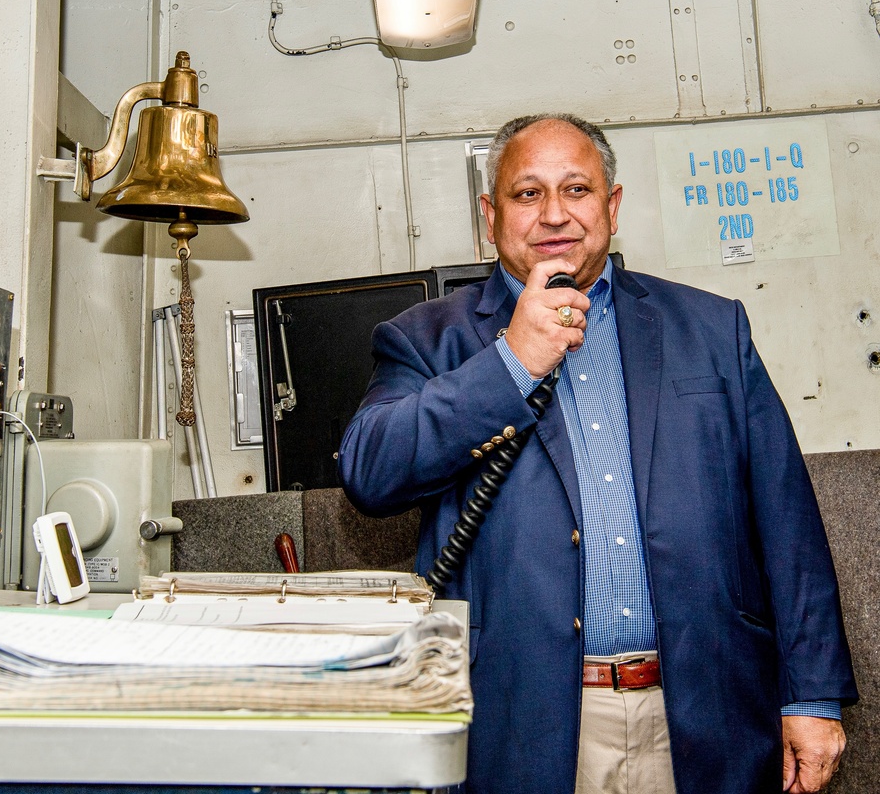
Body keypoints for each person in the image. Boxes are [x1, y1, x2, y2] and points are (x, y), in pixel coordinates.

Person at [337, 113, 857, 794]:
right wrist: (512, 364)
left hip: (707, 710)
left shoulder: (710, 326)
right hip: (527, 723)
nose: (554, 213)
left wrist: (811, 697)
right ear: (491, 217)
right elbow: (369, 472)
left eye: (577, 190)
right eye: (528, 194)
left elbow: (787, 523)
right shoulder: (427, 340)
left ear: (612, 206)